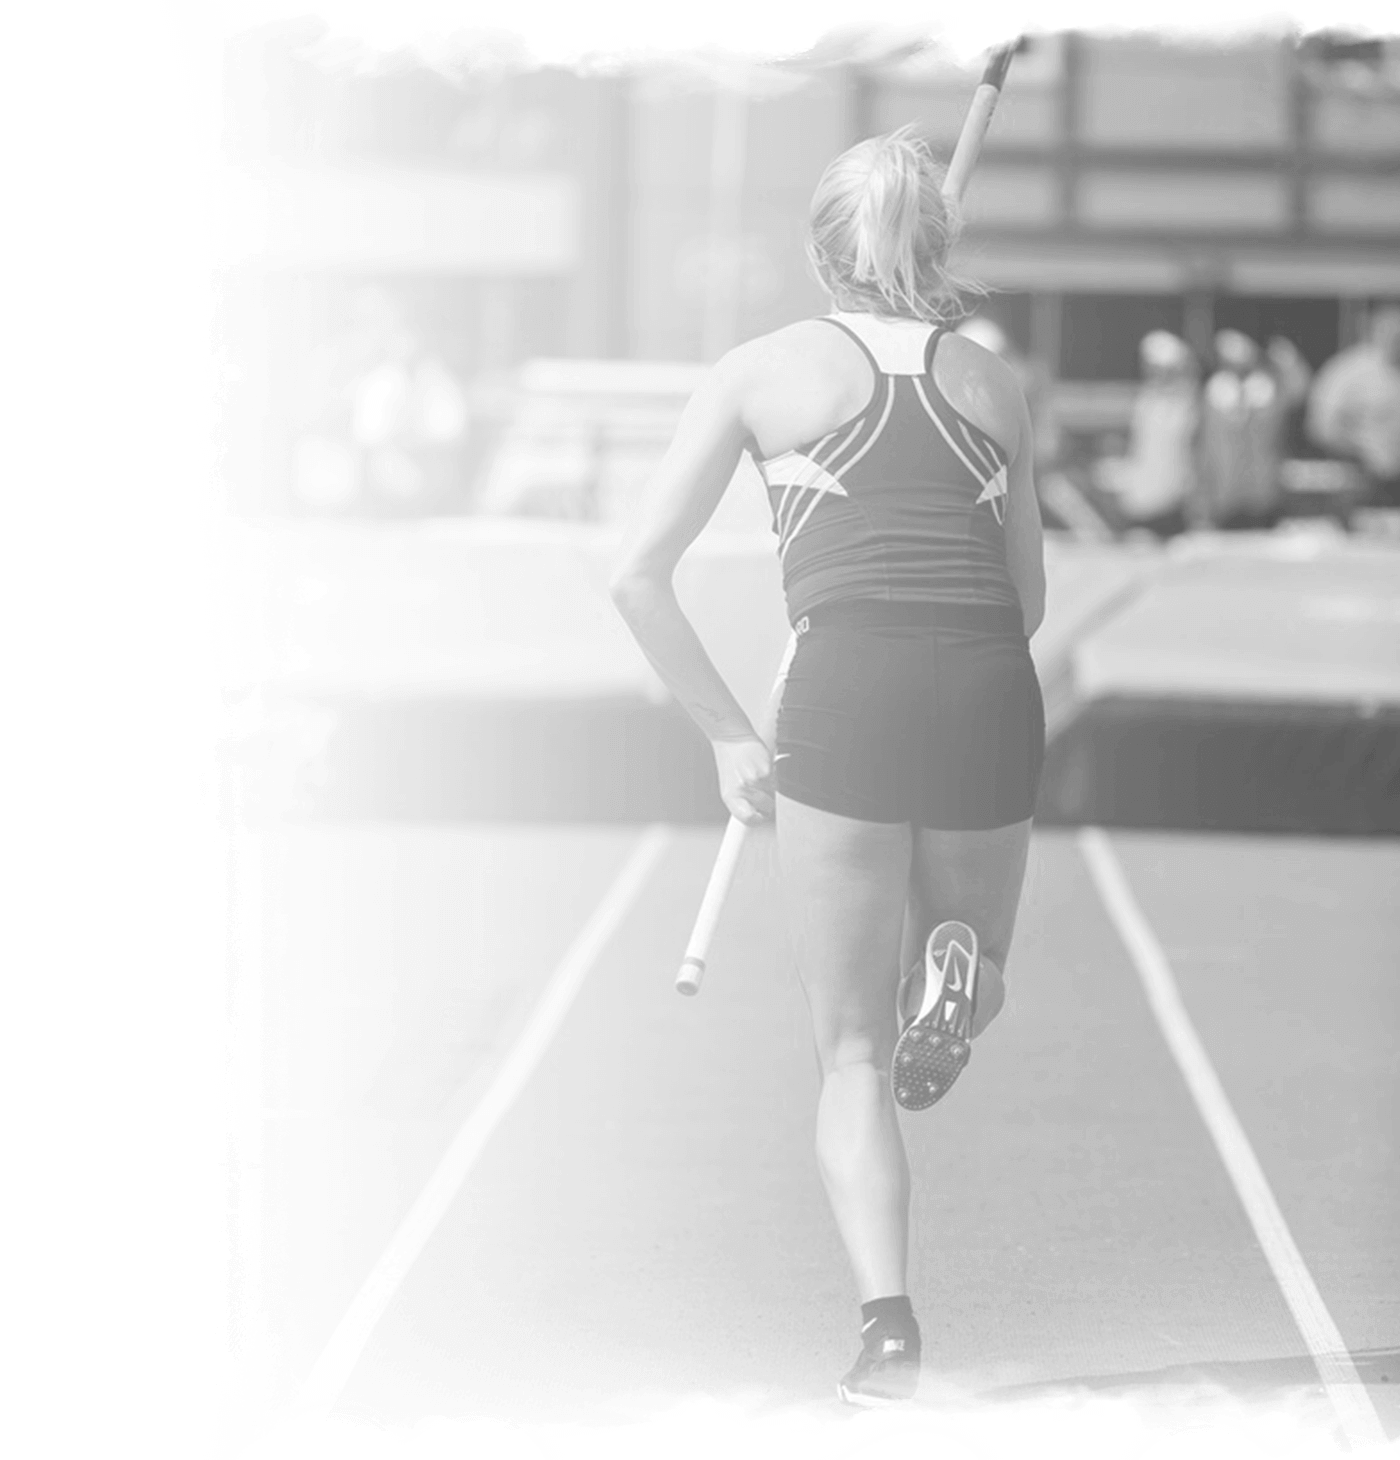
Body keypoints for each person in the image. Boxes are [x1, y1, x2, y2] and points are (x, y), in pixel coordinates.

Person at [610, 126, 1046, 1407]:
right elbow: (1023, 599)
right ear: (940, 248)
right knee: (965, 976)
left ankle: (889, 1332)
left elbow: (635, 576)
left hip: (844, 689)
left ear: (816, 247)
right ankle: (956, 978)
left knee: (850, 1051)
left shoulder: (757, 372)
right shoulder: (992, 384)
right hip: (981, 684)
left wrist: (728, 731)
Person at [1196, 329, 1310, 530]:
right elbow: (1206, 449)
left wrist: (1290, 364)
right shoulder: (1213, 394)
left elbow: (1299, 392)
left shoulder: (1268, 391)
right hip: (1224, 495)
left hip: (1263, 493)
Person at [1093, 330, 1200, 539]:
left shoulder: (1184, 403)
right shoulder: (1146, 401)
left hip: (1170, 508)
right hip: (1140, 505)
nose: (1154, 372)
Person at [1306, 305, 1400, 509]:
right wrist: (1359, 450)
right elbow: (1321, 426)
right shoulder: (1348, 372)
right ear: (1374, 332)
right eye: (1392, 333)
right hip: (1360, 480)